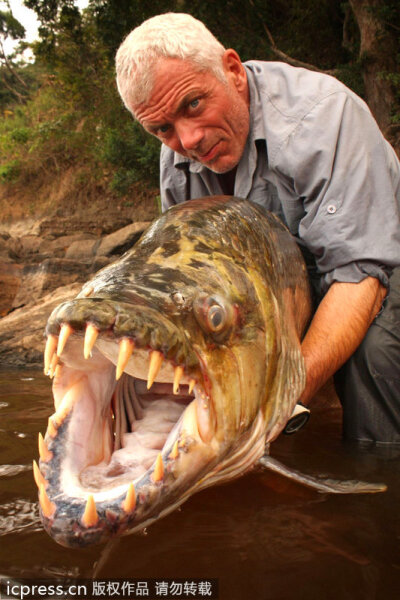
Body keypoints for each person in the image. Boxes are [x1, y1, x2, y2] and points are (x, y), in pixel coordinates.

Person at [115, 13, 400, 444]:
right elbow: (190, 278)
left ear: (232, 71)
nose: (187, 140)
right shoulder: (175, 159)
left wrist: (277, 401)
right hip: (284, 286)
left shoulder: (323, 117)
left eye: (193, 104)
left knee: (374, 354)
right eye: (162, 129)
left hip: (376, 262)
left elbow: (359, 275)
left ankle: (380, 479)